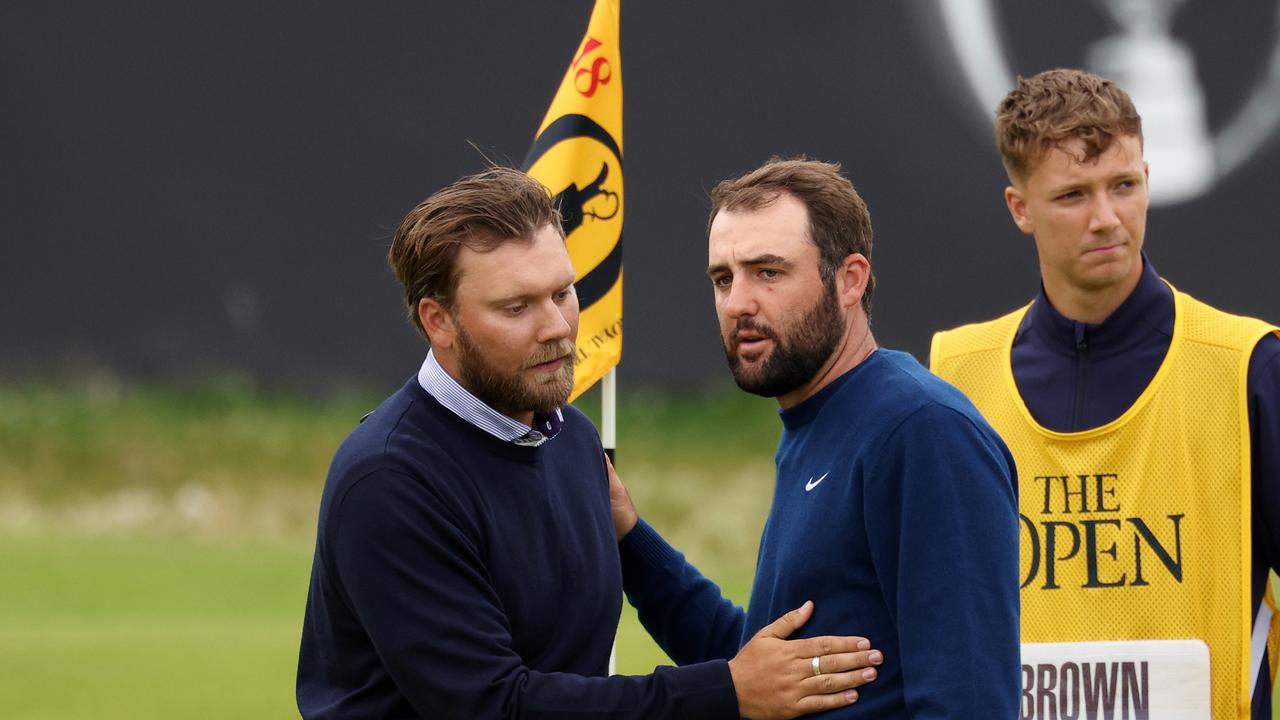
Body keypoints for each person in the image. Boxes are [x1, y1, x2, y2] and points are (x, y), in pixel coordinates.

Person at [295, 166, 883, 719]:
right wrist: (723, 691)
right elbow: (494, 706)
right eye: (516, 306)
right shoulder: (391, 480)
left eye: (563, 293)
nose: (556, 326)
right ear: (438, 321)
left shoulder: (571, 437)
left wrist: (634, 543)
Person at [609, 158, 1022, 717]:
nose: (737, 304)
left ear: (849, 280)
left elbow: (968, 702)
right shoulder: (817, 420)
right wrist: (628, 537)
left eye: (768, 272)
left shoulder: (922, 431)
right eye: (723, 279)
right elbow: (766, 667)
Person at [929, 68, 1280, 719]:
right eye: (1072, 196)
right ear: (1020, 209)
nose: (1106, 218)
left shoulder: (1248, 368)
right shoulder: (954, 378)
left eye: (1124, 186)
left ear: (1148, 177)